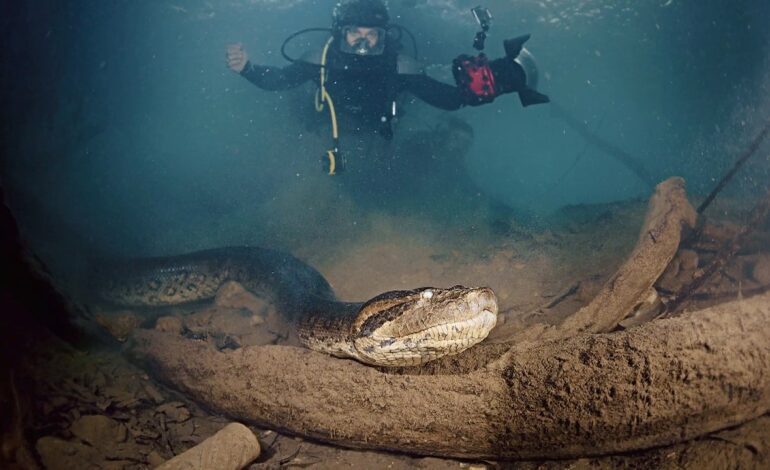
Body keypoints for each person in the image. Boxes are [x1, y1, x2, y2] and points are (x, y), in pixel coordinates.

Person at [226, 0, 547, 173]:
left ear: (384, 35)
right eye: (355, 33)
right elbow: (279, 80)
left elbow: (446, 98)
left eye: (372, 35)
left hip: (380, 128)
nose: (363, 42)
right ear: (341, 33)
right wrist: (248, 69)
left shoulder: (400, 64)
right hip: (329, 123)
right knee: (297, 107)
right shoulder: (319, 58)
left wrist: (495, 82)